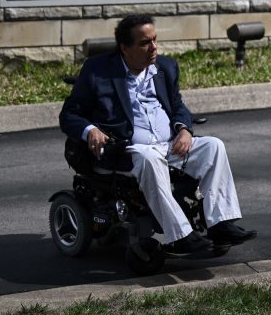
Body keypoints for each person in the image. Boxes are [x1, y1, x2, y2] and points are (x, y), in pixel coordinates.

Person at [59, 14, 255, 254]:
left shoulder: (165, 67)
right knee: (149, 158)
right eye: (144, 43)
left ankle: (220, 224)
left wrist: (183, 129)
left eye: (155, 40)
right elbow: (69, 114)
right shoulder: (98, 71)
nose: (154, 48)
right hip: (125, 149)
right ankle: (181, 235)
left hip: (169, 145)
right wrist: (90, 130)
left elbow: (178, 106)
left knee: (214, 146)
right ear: (124, 48)